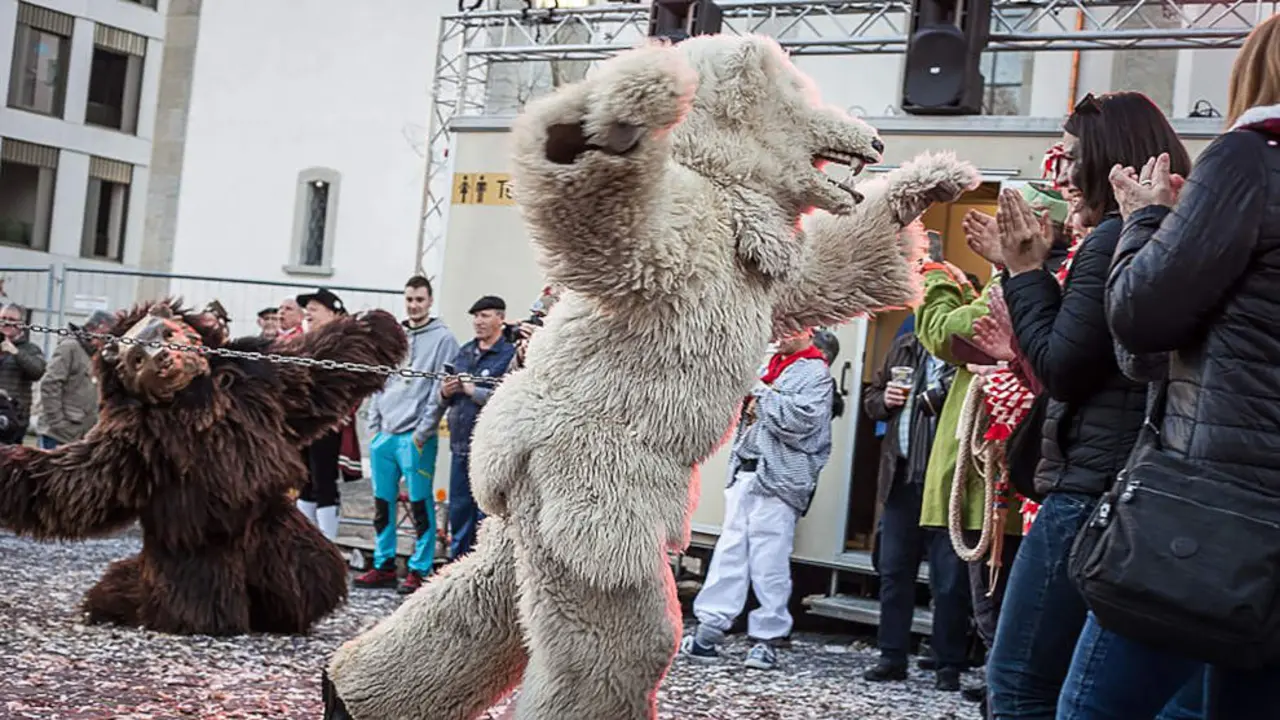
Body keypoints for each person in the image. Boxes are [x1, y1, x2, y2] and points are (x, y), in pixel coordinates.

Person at [1055, 15, 1280, 719]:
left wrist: (1147, 221)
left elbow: (1141, 319)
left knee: (1092, 709)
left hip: (1207, 506)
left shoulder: (1250, 159)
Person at [985, 91, 1192, 720]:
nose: (1064, 175)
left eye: (1072, 158)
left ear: (1110, 161)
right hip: (1143, 492)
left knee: (1020, 682)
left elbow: (1066, 369)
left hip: (1089, 492)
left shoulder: (1109, 242)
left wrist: (1024, 274)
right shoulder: (1174, 239)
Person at [680, 328, 834, 671]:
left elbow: (801, 421)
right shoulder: (776, 364)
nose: (779, 335)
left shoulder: (815, 371)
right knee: (730, 551)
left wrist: (759, 392)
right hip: (750, 471)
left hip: (778, 477)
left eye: (790, 329)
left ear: (808, 331)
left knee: (769, 558)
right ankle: (711, 628)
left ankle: (766, 637)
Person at [861, 327, 965, 691]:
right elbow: (872, 399)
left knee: (949, 580)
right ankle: (891, 656)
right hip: (901, 476)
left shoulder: (966, 356)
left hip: (947, 483)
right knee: (893, 572)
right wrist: (885, 400)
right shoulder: (905, 345)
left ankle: (948, 662)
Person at [354, 276, 460, 594]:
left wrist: (424, 430)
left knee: (419, 503)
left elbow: (440, 391)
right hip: (385, 433)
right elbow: (379, 381)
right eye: (409, 299)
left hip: (416, 436)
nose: (414, 305)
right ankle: (384, 564)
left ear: (430, 301)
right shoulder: (395, 337)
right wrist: (374, 428)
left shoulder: (444, 339)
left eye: (419, 300)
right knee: (382, 503)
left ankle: (419, 567)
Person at [440, 295, 516, 560]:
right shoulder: (465, 351)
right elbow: (445, 394)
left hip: (489, 449)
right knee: (459, 510)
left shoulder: (509, 355)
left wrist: (473, 390)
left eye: (485, 316)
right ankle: (456, 563)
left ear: (500, 319)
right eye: (475, 316)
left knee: (487, 513)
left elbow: (506, 395)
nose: (478, 322)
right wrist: (445, 391)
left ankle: (485, 563)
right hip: (460, 445)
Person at [295, 288, 349, 540]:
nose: (308, 314)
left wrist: (340, 411)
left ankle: (327, 540)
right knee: (304, 479)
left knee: (324, 480)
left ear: (332, 312)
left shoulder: (343, 344)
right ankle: (306, 539)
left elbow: (355, 383)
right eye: (307, 309)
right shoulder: (306, 342)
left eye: (314, 308)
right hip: (306, 418)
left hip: (330, 420)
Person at [37, 310, 113, 449]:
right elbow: (50, 384)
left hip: (80, 434)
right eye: (107, 334)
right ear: (96, 328)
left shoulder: (96, 355)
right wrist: (59, 423)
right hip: (58, 435)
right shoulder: (70, 347)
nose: (108, 339)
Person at [0, 303, 46, 444]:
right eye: (3, 318)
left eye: (12, 320)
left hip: (14, 417)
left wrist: (15, 352)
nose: (7, 322)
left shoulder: (31, 349)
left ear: (21, 324)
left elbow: (37, 371)